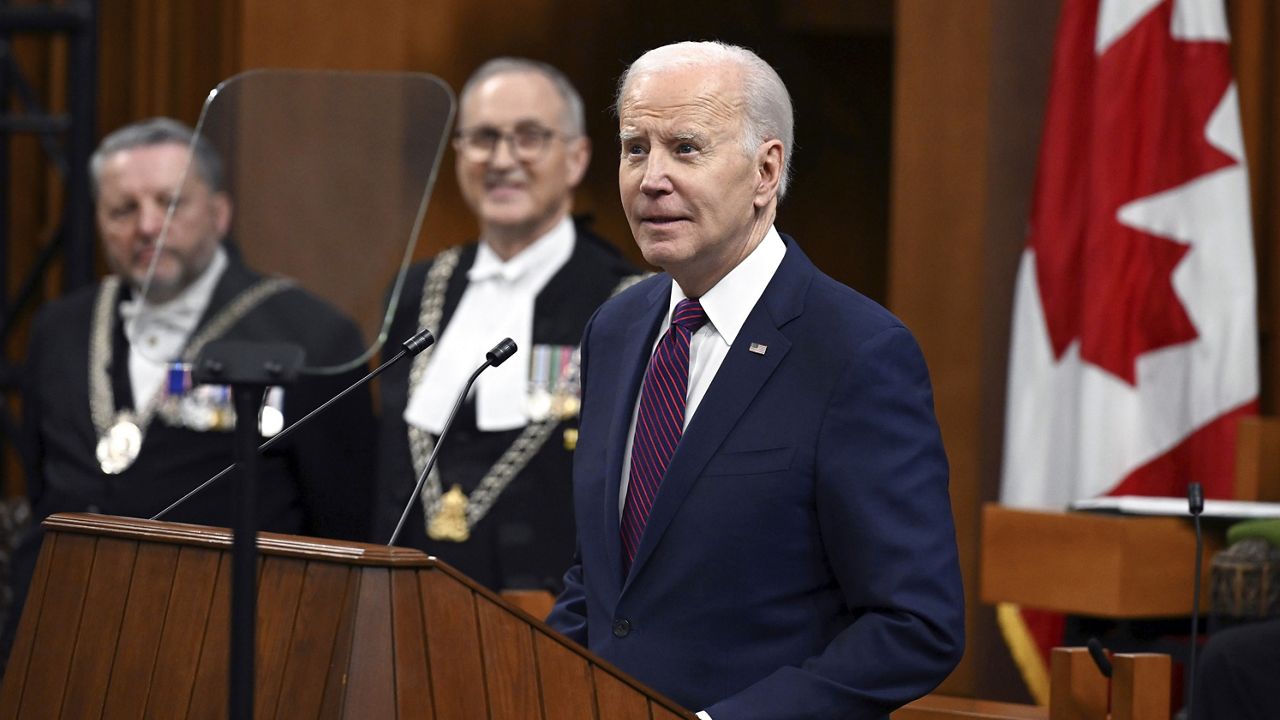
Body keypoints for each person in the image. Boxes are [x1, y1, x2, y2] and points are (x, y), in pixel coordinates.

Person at [544, 41, 965, 719]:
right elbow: (601, 583)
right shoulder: (616, 330)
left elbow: (915, 626)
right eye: (634, 148)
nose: (651, 178)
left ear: (767, 171)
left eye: (685, 148)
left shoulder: (857, 352)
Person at [3, 117, 376, 664]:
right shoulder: (59, 327)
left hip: (227, 645)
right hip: (65, 637)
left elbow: (345, 521)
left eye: (170, 203)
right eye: (123, 210)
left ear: (219, 214)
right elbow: (43, 484)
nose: (147, 225)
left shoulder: (309, 334)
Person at [373, 59, 639, 593]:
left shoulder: (626, 304)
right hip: (397, 598)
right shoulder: (414, 289)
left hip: (552, 617)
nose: (502, 159)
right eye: (484, 138)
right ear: (458, 155)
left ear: (577, 158)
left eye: (530, 137)